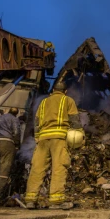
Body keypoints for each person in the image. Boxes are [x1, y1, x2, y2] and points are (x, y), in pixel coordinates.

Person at [24, 81, 83, 210]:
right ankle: (56, 201)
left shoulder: (43, 102)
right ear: (65, 91)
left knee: (37, 168)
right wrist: (80, 136)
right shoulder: (68, 100)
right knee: (59, 167)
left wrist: (38, 138)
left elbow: (37, 122)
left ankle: (30, 200)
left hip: (43, 139)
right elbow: (74, 120)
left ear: (53, 91)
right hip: (59, 138)